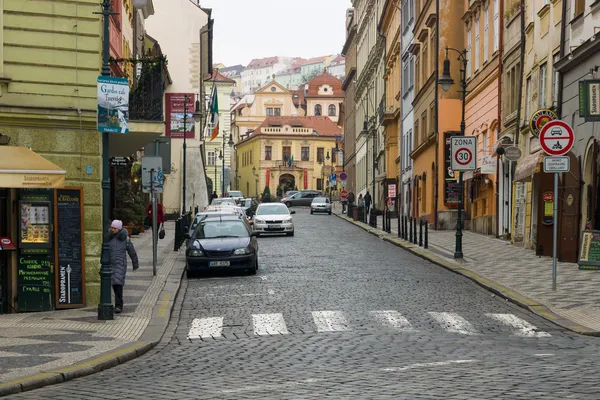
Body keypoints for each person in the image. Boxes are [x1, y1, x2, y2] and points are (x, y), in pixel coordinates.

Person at [109, 220, 139, 314]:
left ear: (119, 229)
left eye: (115, 228)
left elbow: (132, 251)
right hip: (109, 265)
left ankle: (118, 305)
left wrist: (135, 263)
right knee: (112, 284)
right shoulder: (108, 238)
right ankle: (111, 304)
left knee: (118, 284)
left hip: (120, 265)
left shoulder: (125, 239)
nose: (112, 230)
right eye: (112, 228)